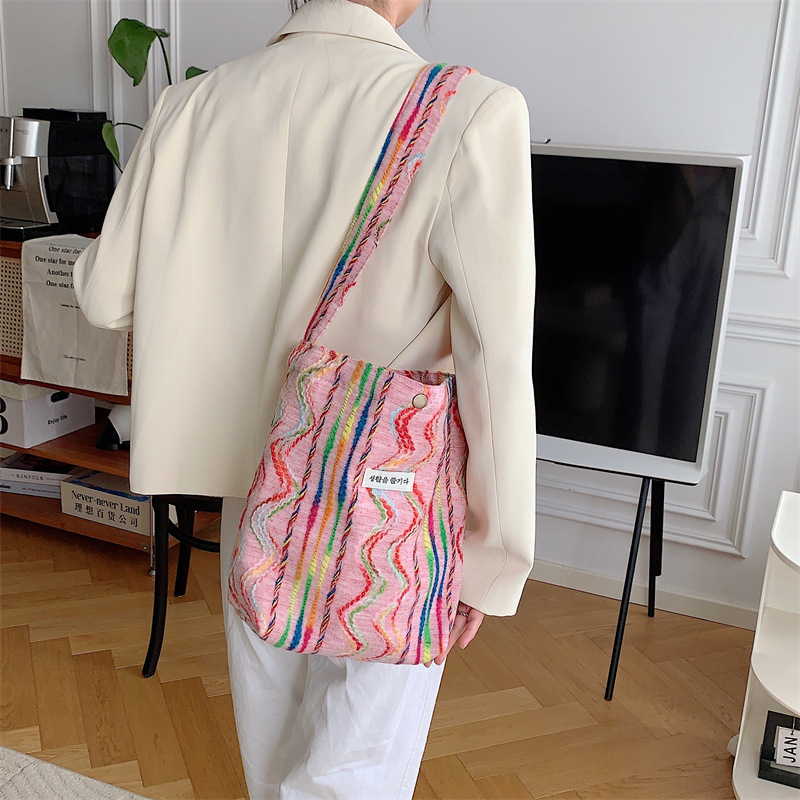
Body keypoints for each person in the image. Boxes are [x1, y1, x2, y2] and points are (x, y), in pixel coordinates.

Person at [73, 0, 536, 796]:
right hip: (388, 504)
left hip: (258, 495)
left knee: (274, 763)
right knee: (353, 774)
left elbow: (102, 294)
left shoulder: (191, 104)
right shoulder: (471, 111)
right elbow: (496, 358)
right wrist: (493, 555)